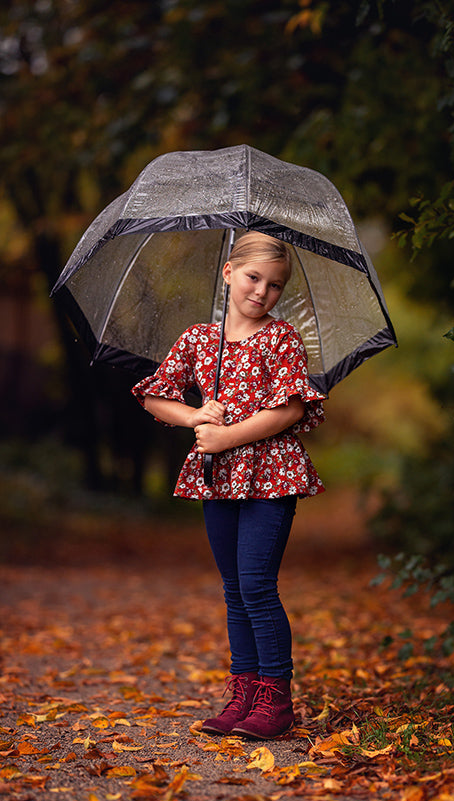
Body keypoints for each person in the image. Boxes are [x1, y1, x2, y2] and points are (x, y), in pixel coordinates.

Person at [131, 231, 325, 740]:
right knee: (234, 588)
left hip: (270, 473)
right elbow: (154, 398)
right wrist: (195, 414)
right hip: (217, 480)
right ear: (229, 273)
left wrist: (226, 437)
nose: (261, 292)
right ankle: (243, 692)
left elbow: (292, 408)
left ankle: (275, 697)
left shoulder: (281, 339)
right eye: (253, 278)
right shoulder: (199, 339)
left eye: (275, 285)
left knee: (258, 584)